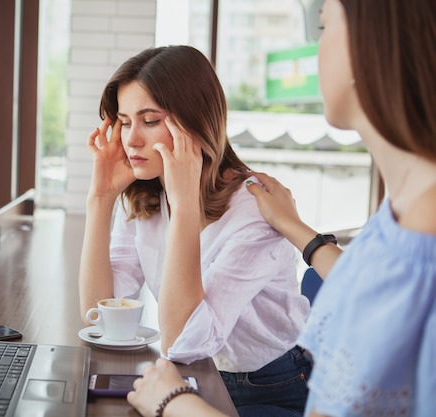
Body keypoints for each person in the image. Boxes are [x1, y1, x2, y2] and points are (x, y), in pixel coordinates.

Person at [127, 0, 436, 416]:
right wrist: (295, 227)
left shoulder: (421, 235)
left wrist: (174, 403)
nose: (315, 48)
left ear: (374, 44)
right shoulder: (398, 219)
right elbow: (374, 289)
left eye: (325, 27)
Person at [79, 45, 312, 416]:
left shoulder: (253, 208)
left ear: (194, 123)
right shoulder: (147, 193)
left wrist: (185, 204)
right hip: (193, 375)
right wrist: (100, 198)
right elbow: (98, 313)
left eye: (150, 120)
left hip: (268, 385)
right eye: (124, 122)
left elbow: (183, 343)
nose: (131, 139)